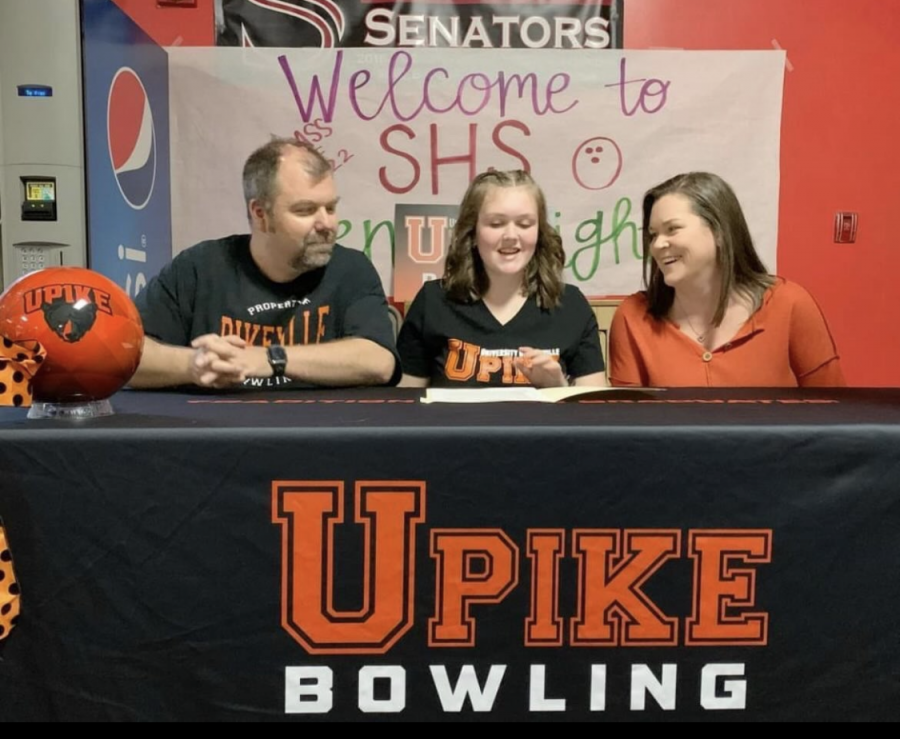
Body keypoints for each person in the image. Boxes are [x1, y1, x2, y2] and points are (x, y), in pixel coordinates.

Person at [130, 137, 399, 390]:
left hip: (321, 433)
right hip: (217, 432)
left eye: (330, 208)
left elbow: (378, 360)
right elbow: (128, 353)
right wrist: (194, 365)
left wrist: (270, 359)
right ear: (260, 215)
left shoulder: (350, 269)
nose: (327, 224)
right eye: (305, 210)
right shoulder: (199, 268)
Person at [609, 171, 845, 387]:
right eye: (653, 235)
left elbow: (833, 412)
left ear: (720, 232)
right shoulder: (632, 317)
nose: (658, 245)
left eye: (672, 229)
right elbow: (627, 425)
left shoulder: (790, 304)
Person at [397, 169, 606, 388]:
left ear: (540, 232)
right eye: (496, 224)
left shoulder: (571, 305)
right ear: (473, 231)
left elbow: (596, 414)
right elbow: (402, 407)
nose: (510, 236)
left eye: (525, 224)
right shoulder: (433, 301)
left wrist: (557, 388)